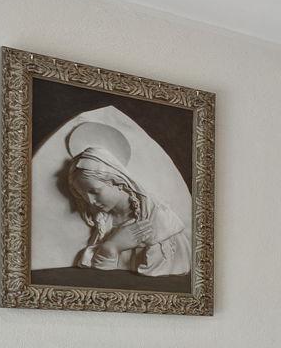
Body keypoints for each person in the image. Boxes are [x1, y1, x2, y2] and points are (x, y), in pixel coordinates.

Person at [60, 114, 191, 277]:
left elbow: (161, 278)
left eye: (94, 191)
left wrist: (111, 248)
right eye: (83, 195)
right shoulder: (104, 221)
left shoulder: (160, 222)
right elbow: (99, 278)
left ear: (118, 182)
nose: (90, 202)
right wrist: (111, 247)